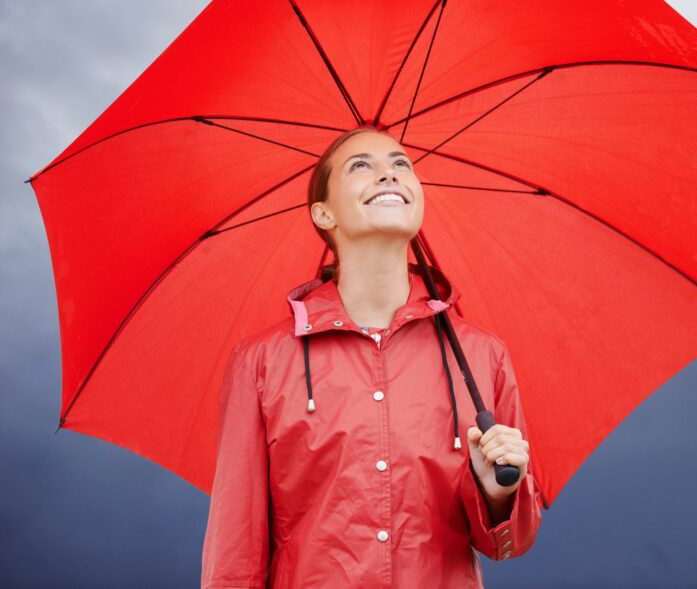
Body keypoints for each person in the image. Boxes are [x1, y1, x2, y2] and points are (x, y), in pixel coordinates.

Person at [201, 126, 544, 587]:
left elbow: (513, 543)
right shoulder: (262, 361)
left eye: (401, 165)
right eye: (361, 165)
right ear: (323, 213)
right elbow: (234, 550)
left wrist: (500, 491)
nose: (389, 174)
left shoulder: (482, 355)